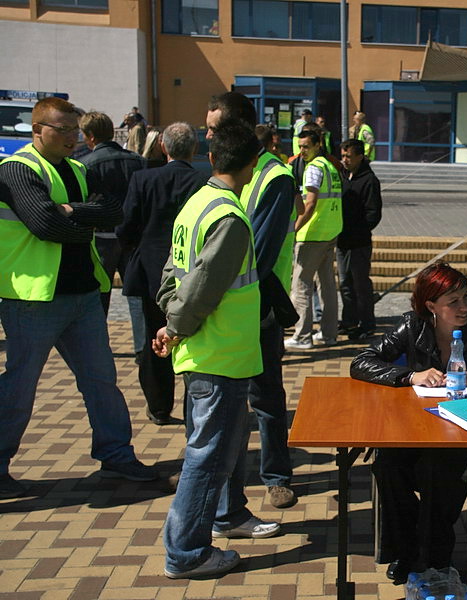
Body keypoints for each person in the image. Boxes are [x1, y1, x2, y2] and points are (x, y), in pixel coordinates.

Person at [0, 97, 157, 499]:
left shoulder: (76, 169)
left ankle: (116, 455)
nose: (72, 138)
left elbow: (113, 212)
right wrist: (76, 220)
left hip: (83, 292)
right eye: (62, 130)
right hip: (33, 297)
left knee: (101, 379)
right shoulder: (17, 169)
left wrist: (70, 211)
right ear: (37, 131)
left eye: (74, 129)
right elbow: (45, 224)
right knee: (20, 386)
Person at [155, 121, 281, 580]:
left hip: (203, 352)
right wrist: (175, 327)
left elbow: (173, 273)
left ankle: (226, 518)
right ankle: (187, 553)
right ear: (253, 164)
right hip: (220, 354)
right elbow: (203, 288)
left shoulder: (196, 204)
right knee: (208, 459)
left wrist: (171, 323)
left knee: (211, 452)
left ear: (211, 159)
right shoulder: (229, 215)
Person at [350, 262, 467, 583]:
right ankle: (405, 550)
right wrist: (410, 375)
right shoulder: (412, 325)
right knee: (387, 465)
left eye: (466, 297)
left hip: (461, 425)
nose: (464, 307)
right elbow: (361, 361)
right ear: (431, 306)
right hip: (412, 426)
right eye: (453, 301)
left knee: (437, 470)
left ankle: (436, 554)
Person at [117, 121, 207, 426]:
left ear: (163, 147)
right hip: (189, 272)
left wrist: (136, 247)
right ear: (194, 150)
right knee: (190, 338)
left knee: (151, 343)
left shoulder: (143, 179)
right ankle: (191, 406)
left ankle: (158, 406)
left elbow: (127, 226)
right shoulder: (202, 182)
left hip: (149, 271)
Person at [240, 114, 299, 510]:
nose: (207, 133)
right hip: (225, 307)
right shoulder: (223, 178)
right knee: (221, 402)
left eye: (214, 127)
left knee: (265, 396)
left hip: (258, 303)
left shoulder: (273, 176)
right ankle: (223, 483)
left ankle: (276, 476)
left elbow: (258, 253)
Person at [78, 111, 147, 315]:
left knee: (99, 297)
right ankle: (142, 346)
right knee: (136, 295)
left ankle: (97, 344)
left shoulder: (85, 165)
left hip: (100, 238)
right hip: (132, 238)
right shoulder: (137, 161)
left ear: (90, 136)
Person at [285, 129, 342, 349]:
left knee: (301, 285)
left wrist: (295, 228)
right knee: (326, 284)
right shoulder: (330, 167)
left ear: (318, 144)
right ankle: (329, 334)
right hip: (329, 232)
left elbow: (310, 204)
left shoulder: (314, 169)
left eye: (306, 146)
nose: (302, 151)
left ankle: (302, 336)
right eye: (300, 146)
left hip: (311, 234)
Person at [337, 138, 382, 340]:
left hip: (359, 242)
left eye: (349, 156)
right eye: (343, 155)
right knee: (345, 283)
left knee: (360, 284)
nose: (344, 159)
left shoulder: (369, 180)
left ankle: (366, 323)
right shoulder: (343, 175)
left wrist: (358, 231)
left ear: (359, 156)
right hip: (342, 240)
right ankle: (349, 321)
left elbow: (374, 213)